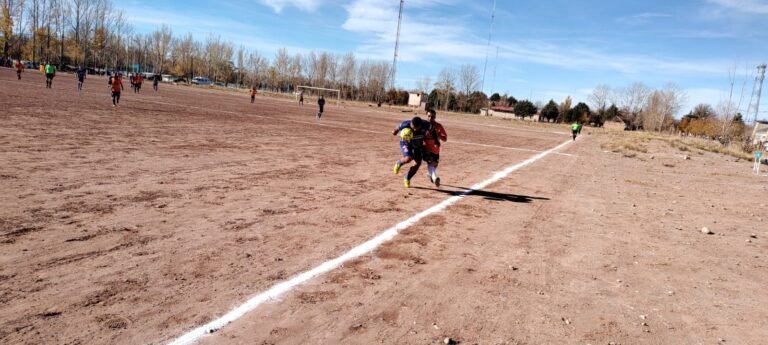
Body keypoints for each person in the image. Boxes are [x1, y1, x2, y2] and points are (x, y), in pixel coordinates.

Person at [392, 117, 432, 188]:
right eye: (413, 127)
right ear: (411, 124)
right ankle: (399, 163)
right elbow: (396, 129)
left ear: (420, 125)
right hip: (406, 142)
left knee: (417, 164)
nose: (414, 129)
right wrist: (395, 132)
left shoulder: (426, 124)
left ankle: (407, 178)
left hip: (418, 143)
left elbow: (433, 131)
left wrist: (435, 141)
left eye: (416, 128)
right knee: (408, 158)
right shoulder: (405, 124)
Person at [423, 109, 447, 187]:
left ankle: (430, 174)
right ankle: (434, 177)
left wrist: (439, 135)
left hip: (436, 149)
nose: (430, 118)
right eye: (429, 116)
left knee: (435, 164)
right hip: (426, 148)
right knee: (430, 162)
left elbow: (445, 138)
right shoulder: (423, 125)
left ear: (435, 117)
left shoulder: (439, 126)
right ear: (427, 116)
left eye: (432, 116)